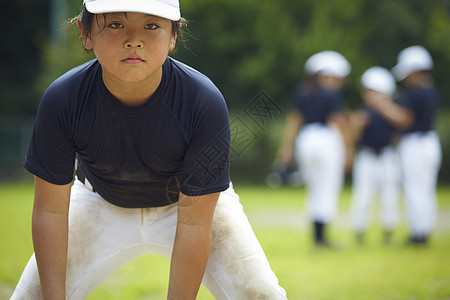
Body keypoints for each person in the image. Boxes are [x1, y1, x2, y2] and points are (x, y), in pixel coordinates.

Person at [10, 0, 287, 299]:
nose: (134, 39)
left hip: (188, 206)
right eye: (116, 24)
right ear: (86, 33)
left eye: (152, 25)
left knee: (262, 293)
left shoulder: (202, 101)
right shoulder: (64, 99)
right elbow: (50, 210)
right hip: (99, 200)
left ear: (173, 36)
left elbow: (194, 221)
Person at [364, 46, 442, 246]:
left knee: (415, 189)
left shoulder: (417, 93)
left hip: (416, 145)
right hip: (430, 142)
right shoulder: (430, 90)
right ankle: (423, 230)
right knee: (426, 189)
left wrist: (380, 105)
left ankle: (418, 234)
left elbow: (405, 120)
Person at [275, 51, 353, 248]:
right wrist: (349, 150)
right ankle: (322, 237)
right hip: (326, 139)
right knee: (327, 187)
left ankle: (316, 236)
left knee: (315, 188)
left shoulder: (302, 91)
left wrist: (286, 148)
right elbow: (338, 122)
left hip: (306, 139)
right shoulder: (330, 94)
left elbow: (294, 120)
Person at [349, 66, 401, 245]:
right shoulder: (362, 112)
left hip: (387, 157)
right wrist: (358, 124)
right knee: (362, 196)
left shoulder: (392, 111)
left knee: (390, 197)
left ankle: (388, 233)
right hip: (367, 157)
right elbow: (354, 136)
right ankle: (359, 232)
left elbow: (398, 134)